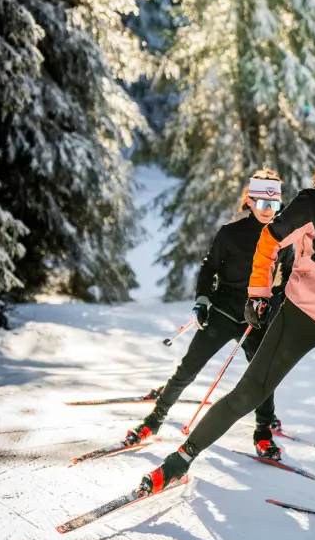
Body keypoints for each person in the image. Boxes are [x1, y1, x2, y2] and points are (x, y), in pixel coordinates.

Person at [139, 125, 315, 518]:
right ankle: (179, 461)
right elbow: (269, 241)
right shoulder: (314, 203)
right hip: (300, 315)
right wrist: (258, 293)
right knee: (248, 393)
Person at [125, 169, 293, 459]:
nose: (268, 210)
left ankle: (263, 433)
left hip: (257, 317)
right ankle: (154, 420)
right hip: (223, 312)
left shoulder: (283, 237)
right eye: (262, 203)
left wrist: (275, 304)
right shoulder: (231, 232)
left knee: (263, 376)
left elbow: (287, 276)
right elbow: (208, 267)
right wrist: (202, 301)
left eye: (274, 204)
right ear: (250, 201)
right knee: (188, 368)